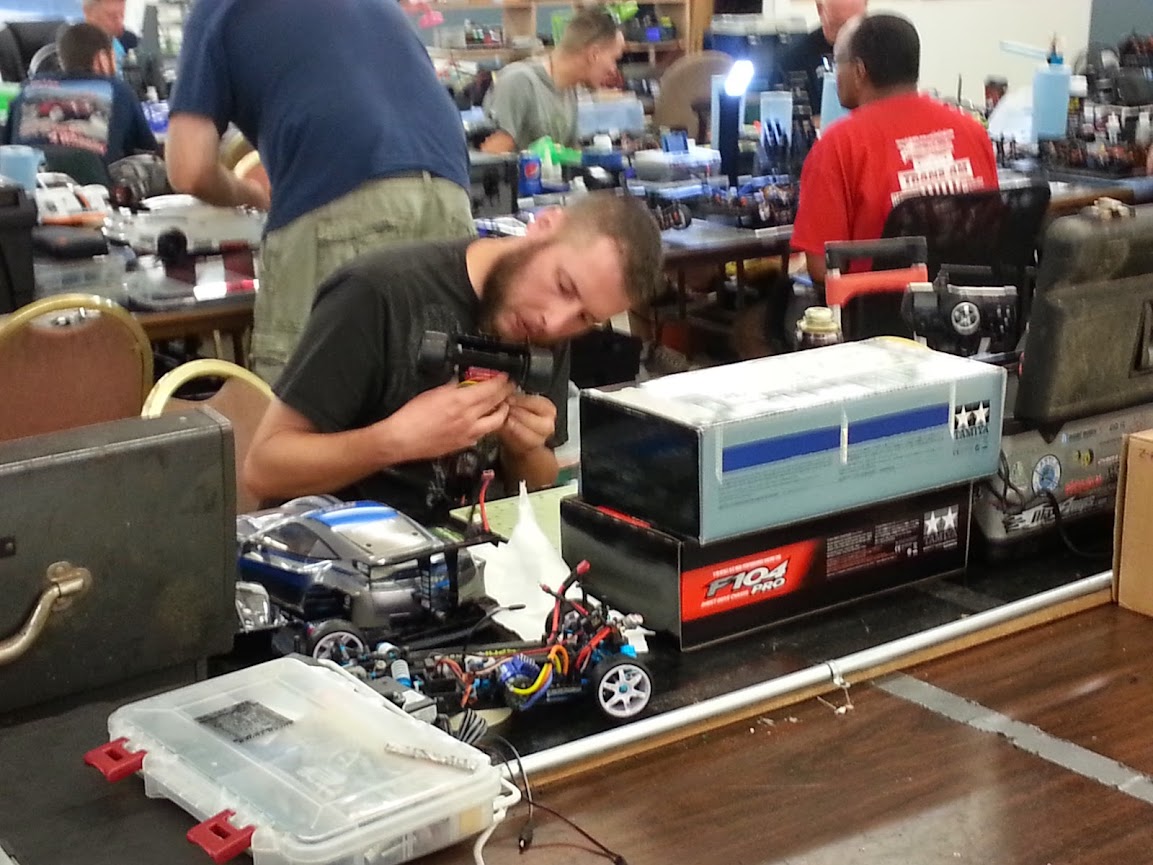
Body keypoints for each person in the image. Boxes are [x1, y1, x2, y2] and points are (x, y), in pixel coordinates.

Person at [244, 193, 664, 524]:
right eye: (564, 286)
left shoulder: (547, 324)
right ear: (544, 225)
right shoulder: (377, 293)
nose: (554, 322)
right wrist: (394, 441)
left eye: (586, 317)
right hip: (338, 559)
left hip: (464, 558)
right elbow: (264, 468)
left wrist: (525, 450)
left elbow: (539, 479)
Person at [166, 0, 476, 384]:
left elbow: (189, 170)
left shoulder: (217, 8)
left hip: (348, 199)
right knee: (432, 390)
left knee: (303, 401)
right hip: (450, 195)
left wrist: (252, 193)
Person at [791, 13, 999, 283]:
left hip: (879, 306)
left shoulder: (837, 146)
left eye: (837, 63)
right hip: (966, 303)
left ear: (859, 70)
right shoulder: (972, 131)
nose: (835, 74)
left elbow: (822, 268)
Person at [5, 23, 157, 165]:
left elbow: (7, 145)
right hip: (94, 183)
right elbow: (148, 150)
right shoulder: (118, 90)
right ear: (102, 58)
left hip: (30, 182)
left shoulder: (27, 89)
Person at [481, 7, 625, 153]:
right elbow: (490, 155)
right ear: (594, 54)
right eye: (614, 59)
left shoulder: (569, 90)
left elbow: (569, 156)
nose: (613, 69)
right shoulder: (519, 82)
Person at [782, 0, 867, 118]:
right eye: (838, 25)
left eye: (855, 26)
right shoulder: (795, 57)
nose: (846, 34)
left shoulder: (879, 49)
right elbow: (795, 117)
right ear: (820, 9)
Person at [82, 0, 128, 74]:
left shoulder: (122, 45)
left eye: (122, 15)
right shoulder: (73, 51)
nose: (120, 23)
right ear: (88, 13)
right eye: (112, 16)